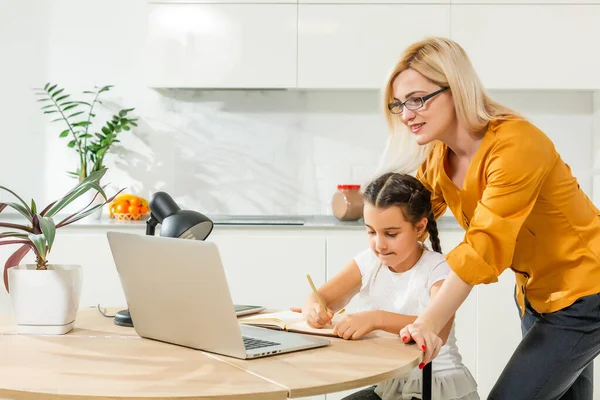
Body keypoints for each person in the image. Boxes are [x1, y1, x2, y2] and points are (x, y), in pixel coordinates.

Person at [380, 36, 600, 399]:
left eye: (417, 99)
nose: (406, 114)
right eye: (399, 104)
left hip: (585, 292)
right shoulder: (440, 158)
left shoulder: (516, 144)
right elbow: (406, 216)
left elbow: (483, 247)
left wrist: (428, 324)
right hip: (535, 296)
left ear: (456, 89)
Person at [295, 172, 479, 400]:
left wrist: (375, 319)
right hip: (391, 385)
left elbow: (437, 330)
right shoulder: (369, 262)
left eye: (391, 234)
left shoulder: (438, 269)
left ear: (420, 227)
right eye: (371, 232)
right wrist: (313, 308)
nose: (379, 245)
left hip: (436, 385)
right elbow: (319, 297)